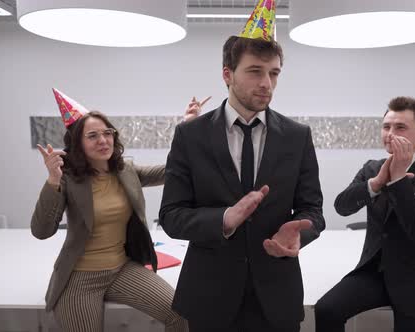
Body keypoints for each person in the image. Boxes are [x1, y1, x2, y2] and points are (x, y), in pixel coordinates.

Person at [158, 2, 325, 331]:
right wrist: (222, 219)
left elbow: (313, 209)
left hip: (277, 293)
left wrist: (300, 233)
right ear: (227, 74)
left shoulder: (297, 136)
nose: (267, 83)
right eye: (255, 71)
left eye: (274, 73)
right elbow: (171, 215)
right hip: (209, 294)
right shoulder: (190, 135)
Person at [31, 88, 190, 332]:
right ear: (78, 144)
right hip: (79, 278)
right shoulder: (67, 179)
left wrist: (188, 131)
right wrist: (52, 180)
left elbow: (170, 171)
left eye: (107, 133)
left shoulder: (125, 171)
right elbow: (41, 231)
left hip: (122, 269)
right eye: (92, 136)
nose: (103, 140)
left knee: (182, 315)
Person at [314, 96, 415, 332]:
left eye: (400, 127)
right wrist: (374, 184)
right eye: (386, 126)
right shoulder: (372, 168)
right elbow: (342, 206)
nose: (390, 133)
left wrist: (399, 180)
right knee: (326, 310)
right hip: (375, 271)